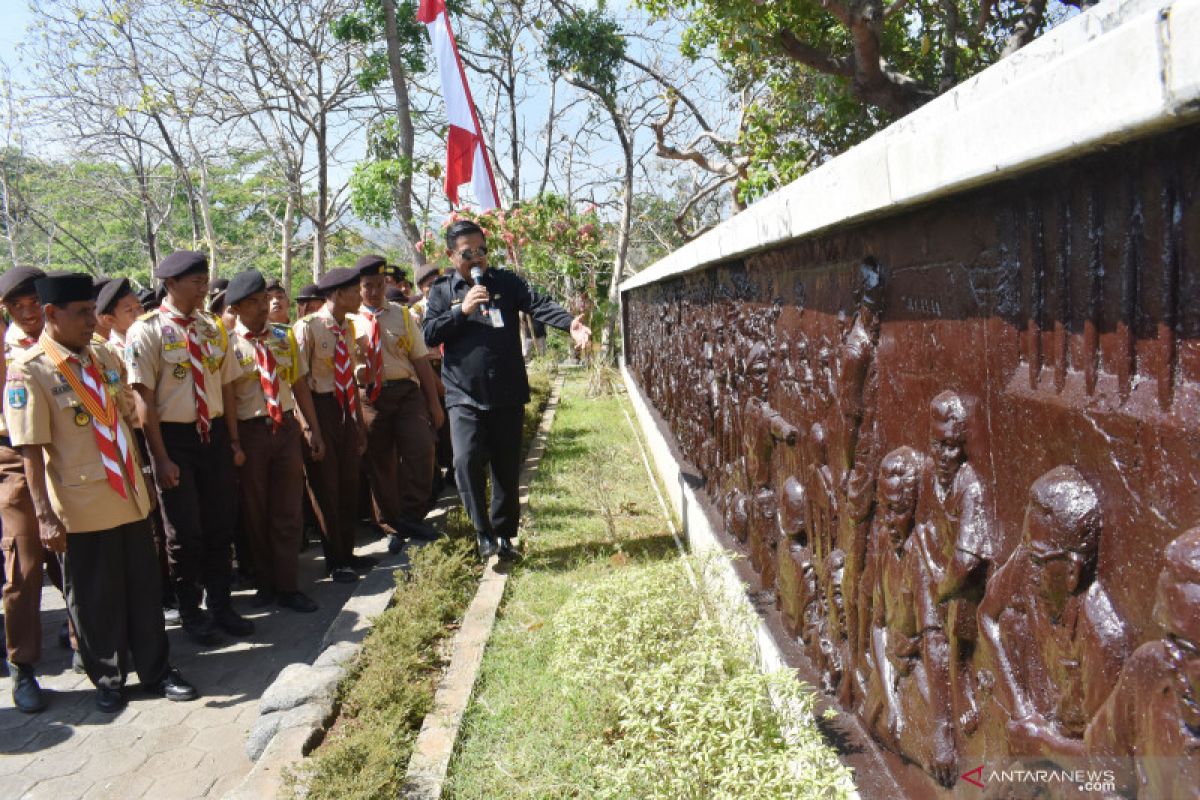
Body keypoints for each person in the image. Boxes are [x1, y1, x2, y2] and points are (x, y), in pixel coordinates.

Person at [5, 272, 196, 712]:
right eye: (82, 313)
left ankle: (156, 669)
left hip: (128, 494)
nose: (93, 320)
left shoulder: (104, 358)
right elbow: (31, 452)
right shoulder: (30, 371)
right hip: (81, 505)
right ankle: (108, 678)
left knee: (144, 591)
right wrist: (45, 516)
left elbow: (128, 421)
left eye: (94, 311)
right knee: (94, 598)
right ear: (50, 315)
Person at [423, 220, 591, 560]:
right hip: (463, 395)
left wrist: (569, 323)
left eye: (481, 251)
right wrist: (463, 310)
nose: (477, 259)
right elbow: (430, 334)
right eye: (467, 253)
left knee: (504, 467)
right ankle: (482, 532)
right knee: (465, 459)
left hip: (506, 391)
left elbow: (538, 303)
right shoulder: (442, 291)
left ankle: (503, 536)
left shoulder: (506, 282)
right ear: (451, 255)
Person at [126, 250, 254, 644]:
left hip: (213, 434)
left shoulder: (213, 327)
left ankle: (221, 605)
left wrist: (232, 440)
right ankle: (190, 612)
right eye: (196, 282)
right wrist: (159, 458)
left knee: (220, 525)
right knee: (184, 533)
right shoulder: (145, 331)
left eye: (205, 281)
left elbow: (228, 387)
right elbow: (143, 400)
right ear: (171, 284)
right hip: (174, 439)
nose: (203, 288)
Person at [978, 466, 1134, 760]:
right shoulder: (1029, 560)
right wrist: (1020, 708)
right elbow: (987, 615)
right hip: (1041, 722)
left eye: (1038, 559)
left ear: (1073, 570)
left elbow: (1108, 765)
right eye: (1025, 547)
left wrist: (1042, 744)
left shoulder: (1101, 636)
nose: (1027, 565)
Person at [225, 270, 323, 612]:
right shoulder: (226, 343)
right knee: (256, 511)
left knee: (287, 509)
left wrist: (312, 428)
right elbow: (226, 398)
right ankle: (265, 582)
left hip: (284, 430)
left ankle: (288, 585)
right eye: (253, 303)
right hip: (251, 433)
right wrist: (234, 442)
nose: (263, 307)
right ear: (236, 308)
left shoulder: (283, 337)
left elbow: (298, 385)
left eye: (265, 299)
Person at [1084, 525, 1200, 798]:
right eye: (1168, 639)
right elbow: (1101, 768)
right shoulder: (1149, 668)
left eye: (1188, 650)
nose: (1170, 661)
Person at [0, 265, 61, 712]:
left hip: (68, 453)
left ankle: (88, 647)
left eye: (32, 303)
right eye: (15, 307)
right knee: (23, 565)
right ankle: (23, 667)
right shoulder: (6, 353)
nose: (26, 313)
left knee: (77, 556)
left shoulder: (69, 343)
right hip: (15, 458)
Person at [352, 255, 444, 553]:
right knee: (380, 463)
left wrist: (434, 403)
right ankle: (390, 525)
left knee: (421, 450)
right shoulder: (348, 321)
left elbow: (419, 360)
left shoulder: (403, 315)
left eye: (379, 285)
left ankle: (412, 516)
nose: (374, 291)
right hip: (369, 398)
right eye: (368, 286)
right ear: (358, 287)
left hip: (406, 393)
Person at [293, 267, 373, 583]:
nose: (360, 296)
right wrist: (311, 428)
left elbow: (349, 376)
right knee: (327, 488)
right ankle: (334, 560)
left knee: (349, 484)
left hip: (344, 408)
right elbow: (298, 381)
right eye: (355, 291)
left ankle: (348, 553)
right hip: (319, 408)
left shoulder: (347, 327)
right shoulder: (307, 327)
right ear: (337, 295)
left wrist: (358, 421)